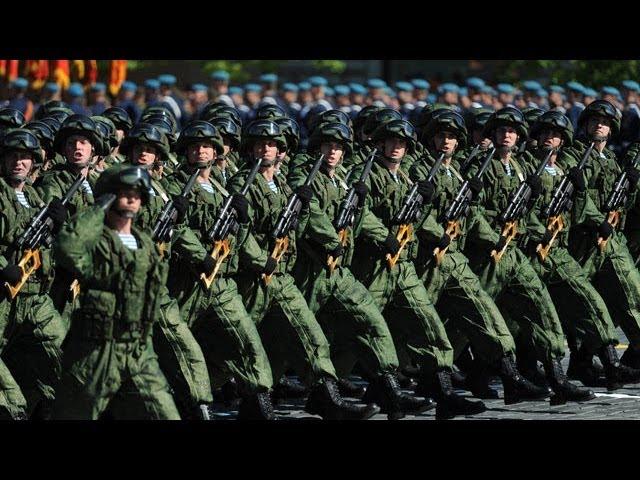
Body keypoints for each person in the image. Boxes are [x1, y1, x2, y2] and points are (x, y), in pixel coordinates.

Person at [50, 164, 181, 419]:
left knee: (164, 412)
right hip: (99, 349)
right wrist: (97, 209)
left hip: (139, 347)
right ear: (110, 195)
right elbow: (67, 246)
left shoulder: (145, 242)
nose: (132, 198)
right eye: (124, 192)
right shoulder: (98, 239)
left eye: (137, 193)